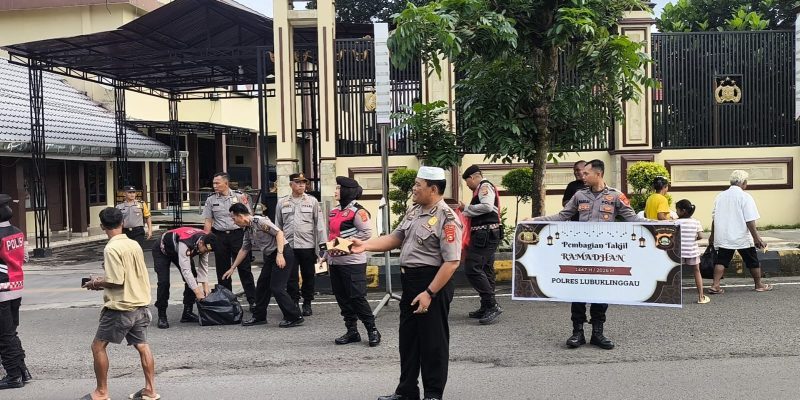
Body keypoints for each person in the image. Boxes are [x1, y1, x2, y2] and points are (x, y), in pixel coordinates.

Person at [348, 166, 463, 400]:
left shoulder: (447, 218)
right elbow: (395, 238)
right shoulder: (414, 211)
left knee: (433, 342)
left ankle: (433, 394)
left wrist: (429, 292)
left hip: (432, 282)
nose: (414, 188)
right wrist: (364, 245)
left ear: (433, 189)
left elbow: (452, 262)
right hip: (410, 282)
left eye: (418, 185)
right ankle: (407, 390)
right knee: (408, 340)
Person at [530, 159, 647, 350]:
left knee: (601, 291)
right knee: (578, 290)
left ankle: (597, 333)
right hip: (580, 253)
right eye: (582, 174)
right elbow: (562, 216)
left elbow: (632, 218)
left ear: (598, 174)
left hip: (604, 254)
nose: (582, 176)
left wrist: (662, 225)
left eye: (586, 173)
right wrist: (536, 220)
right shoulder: (579, 195)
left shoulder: (616, 196)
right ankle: (577, 333)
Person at [82, 208, 158, 400]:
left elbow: (116, 280)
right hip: (140, 303)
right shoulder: (133, 244)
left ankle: (101, 392)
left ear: (101, 226)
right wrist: (103, 278)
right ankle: (150, 390)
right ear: (122, 223)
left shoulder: (111, 248)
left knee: (98, 347)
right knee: (142, 345)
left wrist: (96, 283)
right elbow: (128, 273)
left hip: (121, 307)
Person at [225, 203, 304, 328]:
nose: (234, 222)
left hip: (282, 253)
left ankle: (294, 316)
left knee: (277, 287)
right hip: (271, 256)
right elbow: (244, 249)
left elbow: (279, 233)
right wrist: (232, 267)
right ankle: (259, 316)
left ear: (240, 216)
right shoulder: (248, 229)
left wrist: (280, 254)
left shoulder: (260, 221)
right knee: (262, 286)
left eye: (234, 219)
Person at [326, 176, 381, 346]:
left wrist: (343, 243)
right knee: (342, 298)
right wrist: (324, 253)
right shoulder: (334, 211)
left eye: (338, 188)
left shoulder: (359, 211)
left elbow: (366, 233)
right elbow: (331, 235)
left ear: (346, 191)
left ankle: (372, 330)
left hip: (352, 262)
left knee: (357, 298)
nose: (335, 191)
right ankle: (352, 331)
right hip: (335, 262)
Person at [708, 170, 773, 294]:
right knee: (752, 261)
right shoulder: (745, 197)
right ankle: (759, 284)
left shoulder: (720, 196)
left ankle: (715, 285)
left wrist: (712, 235)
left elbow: (714, 218)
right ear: (743, 183)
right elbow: (750, 221)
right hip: (741, 236)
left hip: (724, 236)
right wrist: (757, 238)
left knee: (721, 260)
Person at [202, 172, 257, 310]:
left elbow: (248, 216)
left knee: (244, 268)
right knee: (223, 270)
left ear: (226, 183)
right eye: (213, 183)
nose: (214, 186)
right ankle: (227, 300)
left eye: (217, 183)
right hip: (219, 236)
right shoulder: (211, 199)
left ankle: (253, 300)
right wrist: (204, 239)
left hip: (238, 235)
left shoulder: (239, 196)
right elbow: (208, 221)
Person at [276, 173, 326, 317]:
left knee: (308, 275)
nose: (301, 185)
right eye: (298, 182)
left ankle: (307, 302)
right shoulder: (282, 202)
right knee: (291, 277)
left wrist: (322, 247)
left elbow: (320, 225)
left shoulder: (312, 201)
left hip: (307, 245)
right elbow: (278, 226)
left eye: (303, 182)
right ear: (291, 184)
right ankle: (294, 302)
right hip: (289, 246)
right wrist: (278, 248)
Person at [458, 164, 502, 324]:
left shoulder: (484, 186)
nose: (468, 185)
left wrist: (466, 208)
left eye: (467, 182)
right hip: (486, 233)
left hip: (485, 234)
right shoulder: (482, 188)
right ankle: (486, 306)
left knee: (472, 267)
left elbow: (487, 206)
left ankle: (492, 305)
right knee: (486, 268)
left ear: (473, 177)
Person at [152, 227, 217, 329]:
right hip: (162, 250)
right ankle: (162, 315)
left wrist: (205, 287)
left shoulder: (207, 242)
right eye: (204, 250)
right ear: (200, 243)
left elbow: (204, 265)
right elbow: (186, 271)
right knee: (164, 282)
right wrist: (198, 293)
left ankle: (187, 313)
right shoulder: (186, 243)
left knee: (194, 279)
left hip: (178, 250)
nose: (205, 252)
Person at [0, 194, 30, 390]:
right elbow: (24, 258)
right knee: (10, 333)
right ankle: (22, 371)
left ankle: (13, 376)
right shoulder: (17, 232)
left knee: (4, 335)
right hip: (16, 287)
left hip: (1, 289)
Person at [674, 199, 709, 304]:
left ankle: (674, 297)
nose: (676, 212)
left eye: (677, 210)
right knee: (697, 272)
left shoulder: (676, 222)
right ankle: (701, 297)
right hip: (692, 252)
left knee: (676, 273)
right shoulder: (696, 222)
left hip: (679, 253)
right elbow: (701, 236)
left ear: (683, 211)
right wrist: (693, 238)